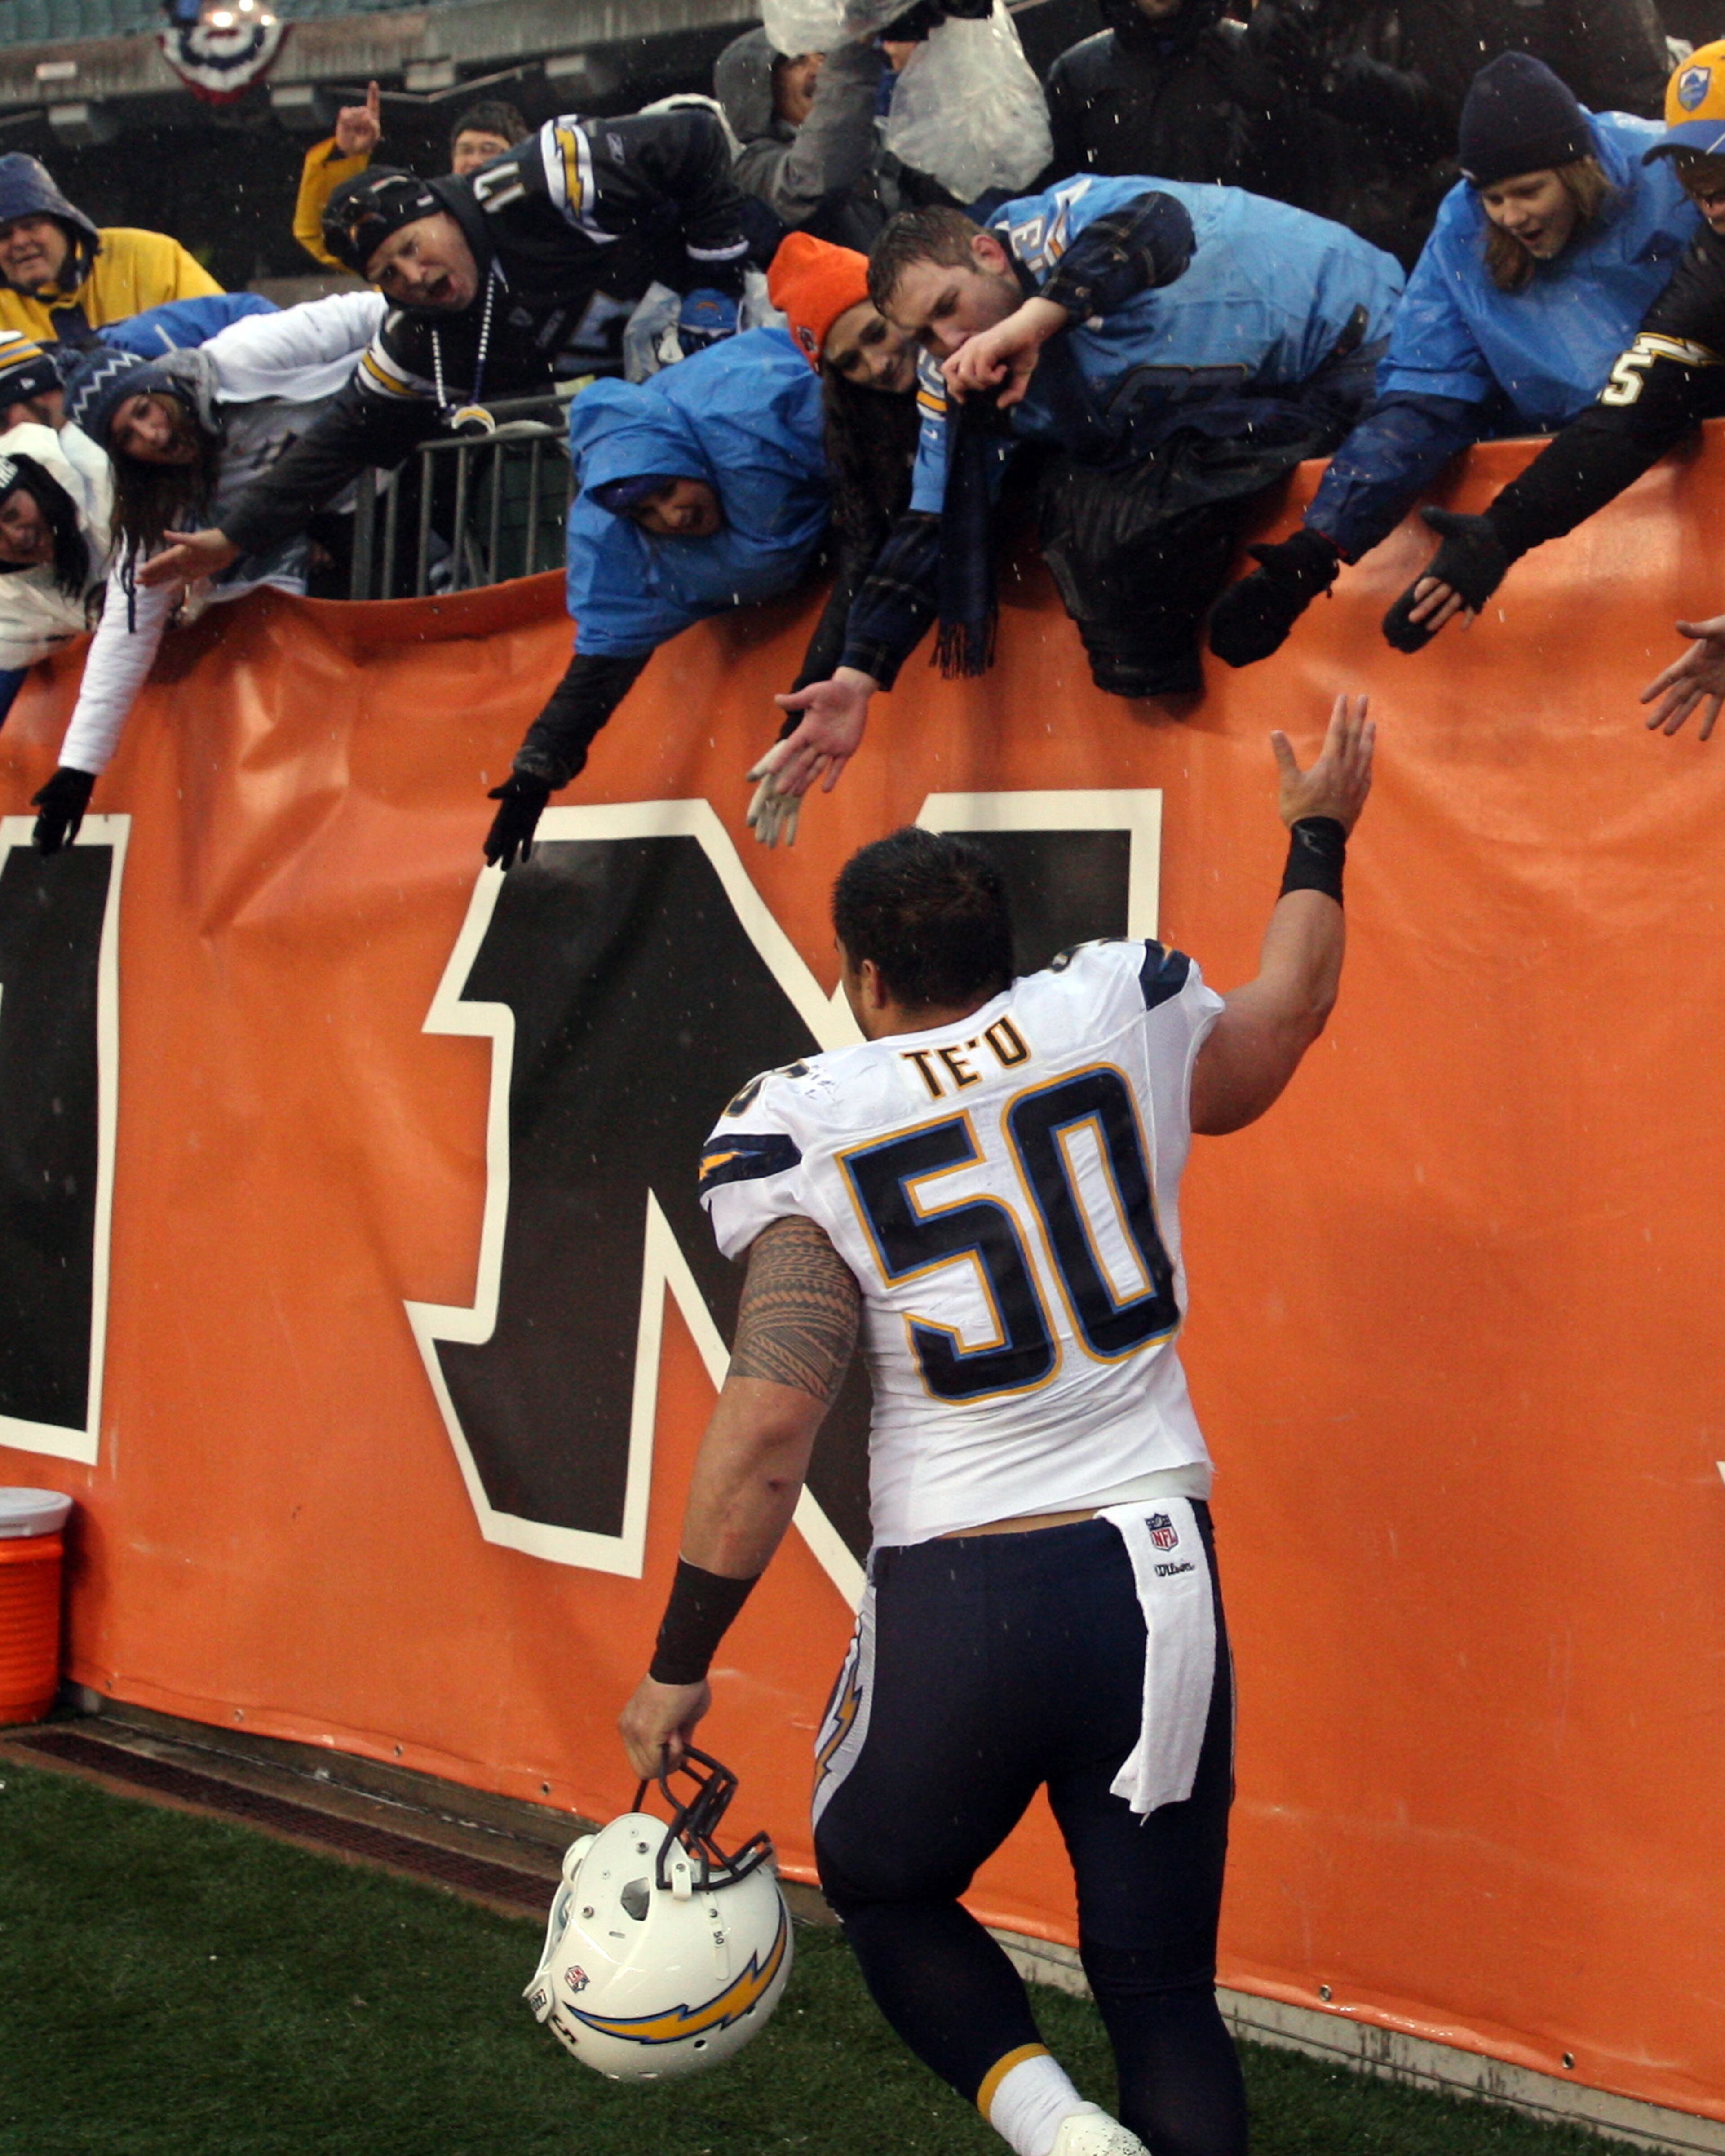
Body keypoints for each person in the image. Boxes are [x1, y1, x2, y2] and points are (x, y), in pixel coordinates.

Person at [619, 693, 1376, 2156]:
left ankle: (1057, 2130)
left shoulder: (810, 1113)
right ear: (1001, 954)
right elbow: (1283, 1023)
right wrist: (1321, 834)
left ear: (864, 973)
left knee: (890, 1879)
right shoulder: (1109, 1005)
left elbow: (773, 1418)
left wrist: (679, 1659)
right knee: (1162, 1992)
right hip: (1157, 1571)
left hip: (965, 1583)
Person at [751, 185, 1400, 826]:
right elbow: (928, 526)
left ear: (989, 254)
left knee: (1118, 512)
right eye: (923, 335)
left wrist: (1041, 319)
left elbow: (1158, 224)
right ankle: (1179, 709)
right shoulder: (949, 377)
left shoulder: (1060, 224)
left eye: (949, 307)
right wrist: (856, 676)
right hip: (1264, 389)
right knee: (1093, 523)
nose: (948, 340)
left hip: (1367, 341)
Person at [129, 111, 755, 602]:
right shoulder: (420, 336)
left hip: (750, 295)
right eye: (387, 274)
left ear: (435, 209)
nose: (413, 276)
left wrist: (715, 281)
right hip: (670, 372)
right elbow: (344, 437)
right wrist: (233, 535)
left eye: (410, 246)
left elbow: (695, 140)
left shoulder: (536, 182)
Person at [1208, 53, 1696, 668]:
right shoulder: (1463, 233)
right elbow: (1425, 395)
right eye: (1492, 196)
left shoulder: (1676, 178)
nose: (1509, 217)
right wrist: (1317, 547)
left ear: (1581, 170)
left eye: (1528, 191)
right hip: (1587, 478)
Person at [1384, 39, 1725, 656]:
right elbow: (1630, 417)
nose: (1714, 201)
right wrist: (1502, 532)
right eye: (1695, 176)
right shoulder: (1714, 262)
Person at [27, 294, 386, 854]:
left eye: (145, 410)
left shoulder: (242, 357)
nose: (152, 435)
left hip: (416, 440)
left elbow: (366, 311)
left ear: (162, 386)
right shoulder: (155, 503)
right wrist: (78, 769)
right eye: (127, 436)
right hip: (349, 519)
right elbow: (126, 631)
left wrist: (430, 356)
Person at [480, 325, 830, 869]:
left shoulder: (765, 412)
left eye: (669, 490)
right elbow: (602, 663)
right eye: (646, 512)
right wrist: (538, 770)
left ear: (688, 458)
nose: (672, 516)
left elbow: (879, 456)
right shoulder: (611, 539)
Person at [1044, 0, 1304, 205]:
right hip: (1122, 258)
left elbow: (1297, 184)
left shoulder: (1253, 57)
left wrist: (1266, 111)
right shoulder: (1076, 74)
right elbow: (1056, 198)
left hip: (1233, 254)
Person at [292, 84, 533, 274]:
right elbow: (324, 239)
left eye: (489, 150)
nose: (474, 161)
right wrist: (347, 156)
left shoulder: (543, 216)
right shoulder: (423, 218)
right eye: (465, 150)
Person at [0, 154, 222, 343]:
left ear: (63, 223)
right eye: (3, 235)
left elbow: (226, 333)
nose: (19, 242)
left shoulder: (149, 257)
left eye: (31, 226)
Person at [715, 29, 894, 252]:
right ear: (761, 92)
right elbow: (817, 183)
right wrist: (853, 56)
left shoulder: (883, 139)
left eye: (823, 54)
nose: (821, 68)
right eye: (797, 62)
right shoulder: (753, 171)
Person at [0, 419, 110, 732]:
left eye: (12, 514)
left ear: (34, 487)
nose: (17, 537)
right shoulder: (10, 594)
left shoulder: (104, 474)